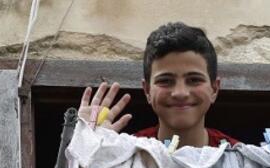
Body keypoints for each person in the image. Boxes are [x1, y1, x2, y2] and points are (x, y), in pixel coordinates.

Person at [78, 22, 239, 148]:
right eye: (165, 81)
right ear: (147, 90)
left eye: (194, 80)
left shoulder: (239, 160)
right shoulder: (126, 152)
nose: (180, 93)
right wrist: (90, 147)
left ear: (215, 88)